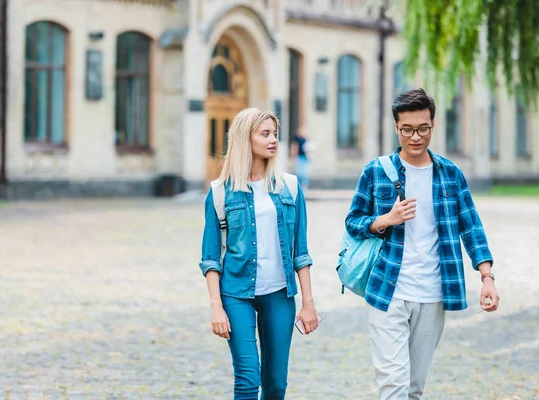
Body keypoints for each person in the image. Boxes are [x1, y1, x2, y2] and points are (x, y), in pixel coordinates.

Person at [345, 88, 500, 400]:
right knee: (393, 386)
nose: (415, 137)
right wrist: (384, 220)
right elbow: (353, 222)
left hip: (433, 294)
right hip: (388, 290)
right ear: (396, 127)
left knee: (414, 388)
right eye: (407, 129)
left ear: (433, 124)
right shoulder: (377, 171)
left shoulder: (451, 174)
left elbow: (471, 228)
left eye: (423, 128)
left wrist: (487, 277)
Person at [200, 108, 319, 400]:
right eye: (265, 134)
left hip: (279, 294)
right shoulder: (219, 193)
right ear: (245, 138)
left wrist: (308, 303)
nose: (273, 140)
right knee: (247, 379)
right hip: (236, 294)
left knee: (276, 384)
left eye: (274, 134)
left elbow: (300, 252)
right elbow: (211, 258)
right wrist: (216, 307)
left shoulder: (289, 188)